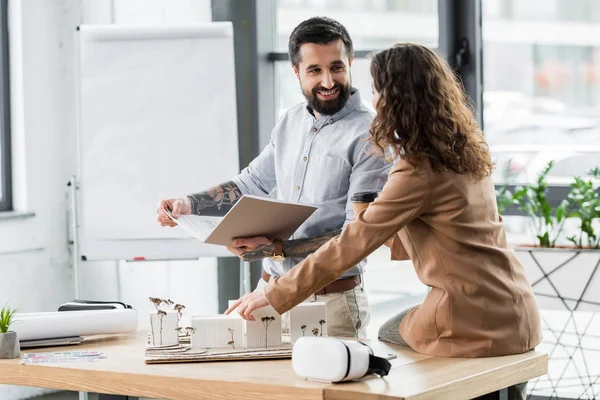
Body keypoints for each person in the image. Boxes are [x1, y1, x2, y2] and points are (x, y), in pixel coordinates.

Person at [226, 43, 542, 399]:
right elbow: (452, 230)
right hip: (519, 309)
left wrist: (274, 292)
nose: (373, 101)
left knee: (389, 336)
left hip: (469, 315)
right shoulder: (466, 151)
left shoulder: (416, 168)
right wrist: (384, 216)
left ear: (394, 99)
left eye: (377, 91)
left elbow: (351, 244)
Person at [157, 17, 390, 338]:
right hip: (266, 293)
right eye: (314, 70)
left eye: (336, 67)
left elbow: (358, 237)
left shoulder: (371, 135)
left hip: (330, 301)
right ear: (295, 71)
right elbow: (250, 183)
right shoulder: (290, 121)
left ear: (351, 63)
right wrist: (188, 204)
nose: (327, 80)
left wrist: (275, 248)